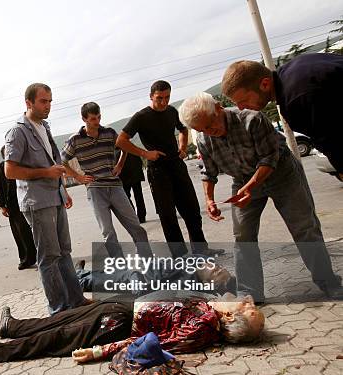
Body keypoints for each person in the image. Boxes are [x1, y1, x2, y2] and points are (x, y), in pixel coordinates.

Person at [178, 92, 343, 302]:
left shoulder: (252, 119)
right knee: (243, 237)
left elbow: (269, 158)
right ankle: (249, 293)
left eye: (211, 124)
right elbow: (208, 172)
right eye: (203, 130)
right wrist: (209, 200)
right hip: (243, 179)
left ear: (219, 108)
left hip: (281, 174)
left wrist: (251, 187)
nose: (211, 132)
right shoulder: (204, 138)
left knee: (305, 228)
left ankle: (328, 282)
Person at [0, 293, 264, 365]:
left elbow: (154, 342)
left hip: (117, 326)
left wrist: (100, 351)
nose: (247, 303)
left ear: (234, 321)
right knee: (64, 318)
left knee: (56, 339)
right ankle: (11, 326)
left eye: (249, 310)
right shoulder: (209, 308)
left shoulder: (202, 328)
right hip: (123, 308)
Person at [4, 83, 87, 314]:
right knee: (49, 256)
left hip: (56, 196)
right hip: (37, 202)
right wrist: (45, 173)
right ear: (28, 103)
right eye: (43, 101)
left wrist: (64, 189)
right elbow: (10, 171)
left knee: (64, 251)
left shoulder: (44, 126)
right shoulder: (17, 131)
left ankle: (76, 301)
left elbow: (55, 162)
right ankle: (58, 309)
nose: (48, 106)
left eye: (50, 101)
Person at [116, 80, 222, 258]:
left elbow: (183, 129)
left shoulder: (172, 111)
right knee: (168, 215)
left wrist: (182, 147)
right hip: (158, 171)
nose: (164, 102)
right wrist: (145, 153)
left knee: (192, 209)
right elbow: (121, 141)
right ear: (151, 96)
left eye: (167, 97)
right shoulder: (141, 116)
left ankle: (201, 249)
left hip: (177, 166)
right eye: (159, 98)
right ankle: (180, 255)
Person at [221, 55, 343, 176]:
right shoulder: (298, 65)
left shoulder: (294, 101)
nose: (241, 108)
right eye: (237, 103)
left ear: (265, 84)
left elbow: (333, 143)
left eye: (244, 100)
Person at [61, 102, 153, 260]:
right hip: (95, 189)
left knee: (136, 226)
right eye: (92, 119)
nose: (97, 121)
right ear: (84, 119)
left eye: (98, 117)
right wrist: (78, 177)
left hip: (115, 186)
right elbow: (62, 162)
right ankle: (120, 268)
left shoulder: (109, 133)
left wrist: (120, 165)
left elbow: (124, 146)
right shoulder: (75, 140)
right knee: (108, 233)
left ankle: (148, 260)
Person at [0, 146, 37, 269]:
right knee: (20, 233)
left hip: (27, 200)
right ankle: (25, 259)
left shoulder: (21, 164)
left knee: (34, 229)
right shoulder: (0, 167)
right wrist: (2, 206)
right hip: (12, 205)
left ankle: (41, 255)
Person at [117, 148, 147, 223]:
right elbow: (140, 162)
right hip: (136, 176)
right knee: (139, 195)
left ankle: (133, 215)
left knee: (126, 197)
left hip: (125, 178)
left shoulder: (115, 153)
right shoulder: (132, 149)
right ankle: (142, 216)